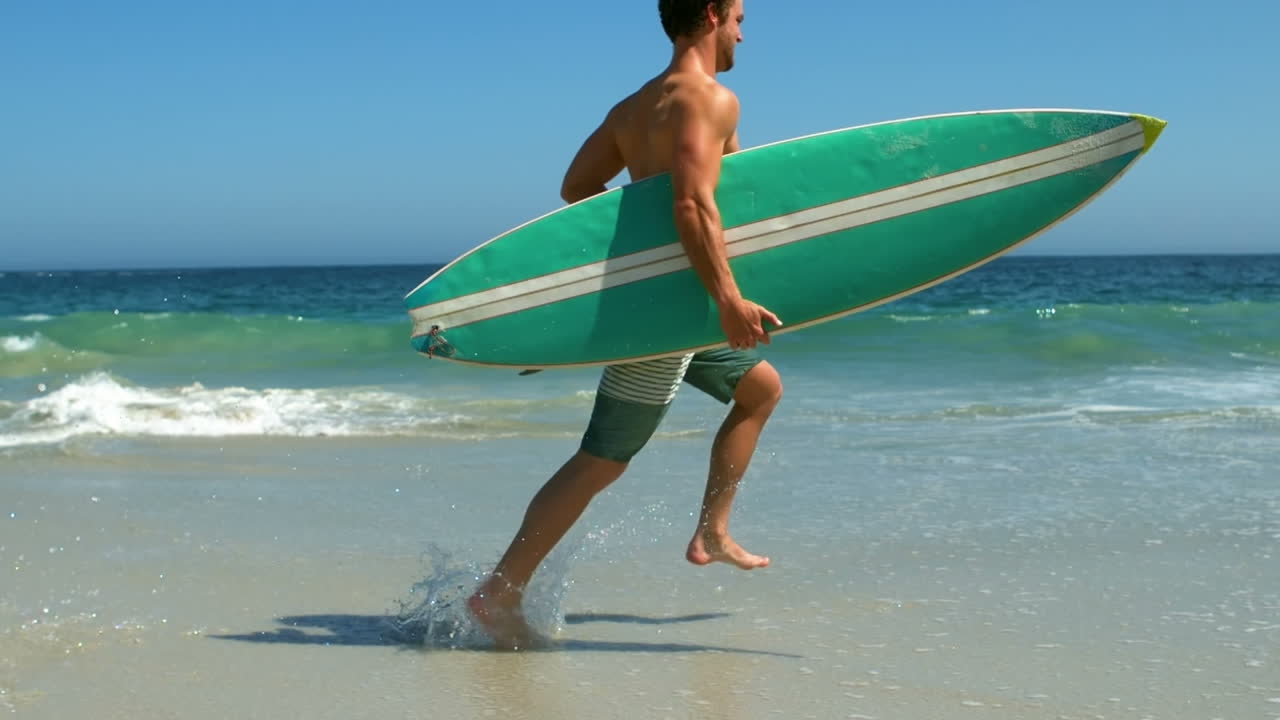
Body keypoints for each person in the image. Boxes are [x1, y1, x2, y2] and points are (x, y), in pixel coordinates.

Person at [467, 0, 782, 650]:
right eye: (740, 16)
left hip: (676, 303)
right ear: (713, 14)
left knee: (760, 390)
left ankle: (713, 532)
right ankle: (499, 590)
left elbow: (577, 188)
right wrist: (726, 297)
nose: (744, 32)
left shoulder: (633, 108)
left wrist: (643, 259)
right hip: (678, 310)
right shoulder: (711, 99)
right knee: (602, 461)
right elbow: (693, 202)